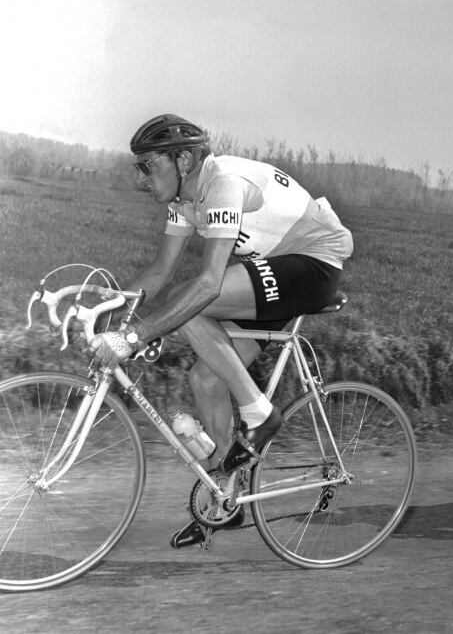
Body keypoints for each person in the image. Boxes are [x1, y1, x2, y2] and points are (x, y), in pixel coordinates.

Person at [88, 114, 353, 547]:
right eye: (138, 167)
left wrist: (132, 337)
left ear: (185, 160)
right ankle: (225, 499)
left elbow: (208, 284)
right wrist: (105, 309)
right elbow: (159, 271)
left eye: (148, 166)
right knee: (206, 378)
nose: (140, 179)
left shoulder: (224, 184)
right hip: (270, 272)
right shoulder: (183, 201)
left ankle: (260, 413)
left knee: (190, 301)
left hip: (314, 263)